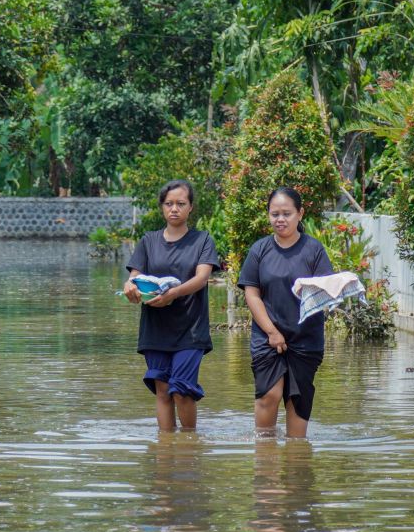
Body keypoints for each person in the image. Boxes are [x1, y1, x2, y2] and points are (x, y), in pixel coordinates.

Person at [123, 179, 220, 432]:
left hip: (191, 328)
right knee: (163, 390)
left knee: (183, 390)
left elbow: (202, 278)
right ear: (162, 208)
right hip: (155, 328)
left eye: (180, 203)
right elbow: (135, 275)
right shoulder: (148, 241)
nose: (174, 208)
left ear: (191, 208)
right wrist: (130, 287)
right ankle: (165, 452)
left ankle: (189, 446)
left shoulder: (202, 240)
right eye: (169, 204)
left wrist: (173, 294)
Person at [237, 187, 333, 438]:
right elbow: (251, 293)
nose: (280, 219)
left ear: (300, 214)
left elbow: (326, 288)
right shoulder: (259, 250)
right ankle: (265, 459)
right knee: (270, 394)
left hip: (305, 337)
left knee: (297, 400)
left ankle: (296, 462)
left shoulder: (314, 250)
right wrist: (271, 331)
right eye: (274, 214)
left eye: (287, 213)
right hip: (267, 335)